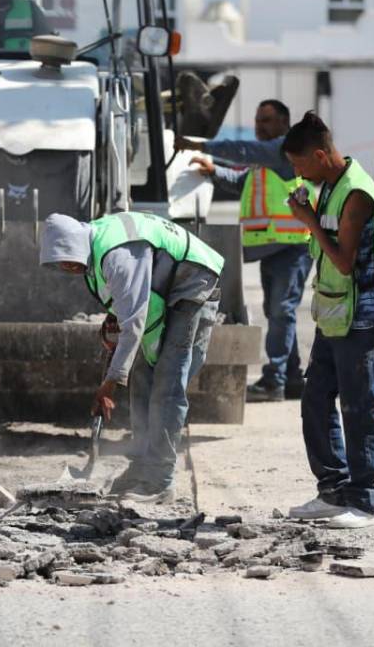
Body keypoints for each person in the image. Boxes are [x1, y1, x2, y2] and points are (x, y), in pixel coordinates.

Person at [40, 210, 224, 504]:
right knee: (142, 379)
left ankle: (160, 481)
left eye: (68, 259)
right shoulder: (96, 248)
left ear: (76, 245)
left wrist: (110, 383)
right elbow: (126, 305)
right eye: (60, 264)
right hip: (168, 289)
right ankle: (141, 467)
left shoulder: (117, 253)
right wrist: (113, 320)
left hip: (193, 285)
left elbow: (136, 322)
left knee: (167, 385)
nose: (66, 267)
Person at [281, 112, 374, 529]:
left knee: (359, 407)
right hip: (335, 314)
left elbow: (343, 259)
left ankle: (363, 501)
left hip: (362, 313)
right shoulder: (331, 186)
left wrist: (308, 223)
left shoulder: (357, 193)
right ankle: (333, 491)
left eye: (300, 166)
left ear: (320, 155)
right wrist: (312, 215)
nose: (297, 174)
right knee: (315, 400)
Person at [174, 99, 315, 403]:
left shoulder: (282, 148)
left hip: (292, 247)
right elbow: (243, 182)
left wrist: (198, 144)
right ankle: (290, 379)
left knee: (281, 312)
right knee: (277, 313)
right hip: (272, 247)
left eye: (266, 120)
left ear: (283, 124)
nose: (259, 126)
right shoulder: (267, 161)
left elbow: (242, 150)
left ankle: (274, 381)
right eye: (257, 120)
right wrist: (213, 172)